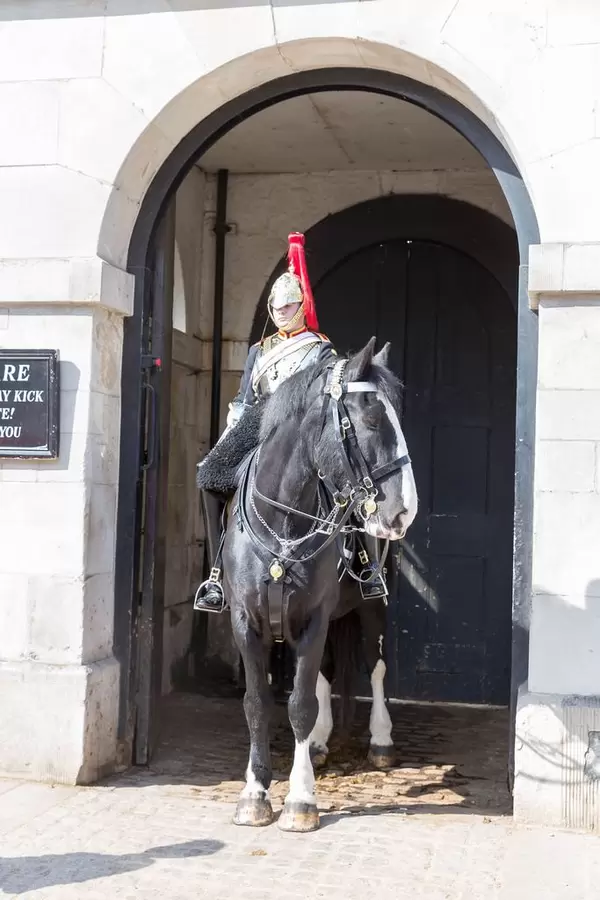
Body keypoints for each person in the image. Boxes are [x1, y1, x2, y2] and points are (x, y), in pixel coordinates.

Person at [194, 232, 387, 613]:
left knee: (351, 480)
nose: (282, 311)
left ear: (302, 306)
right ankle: (216, 573)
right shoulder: (259, 351)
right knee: (207, 474)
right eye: (277, 306)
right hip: (258, 421)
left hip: (302, 426)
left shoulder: (320, 348)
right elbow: (245, 394)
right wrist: (236, 413)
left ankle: (367, 566)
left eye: (290, 305)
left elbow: (323, 396)